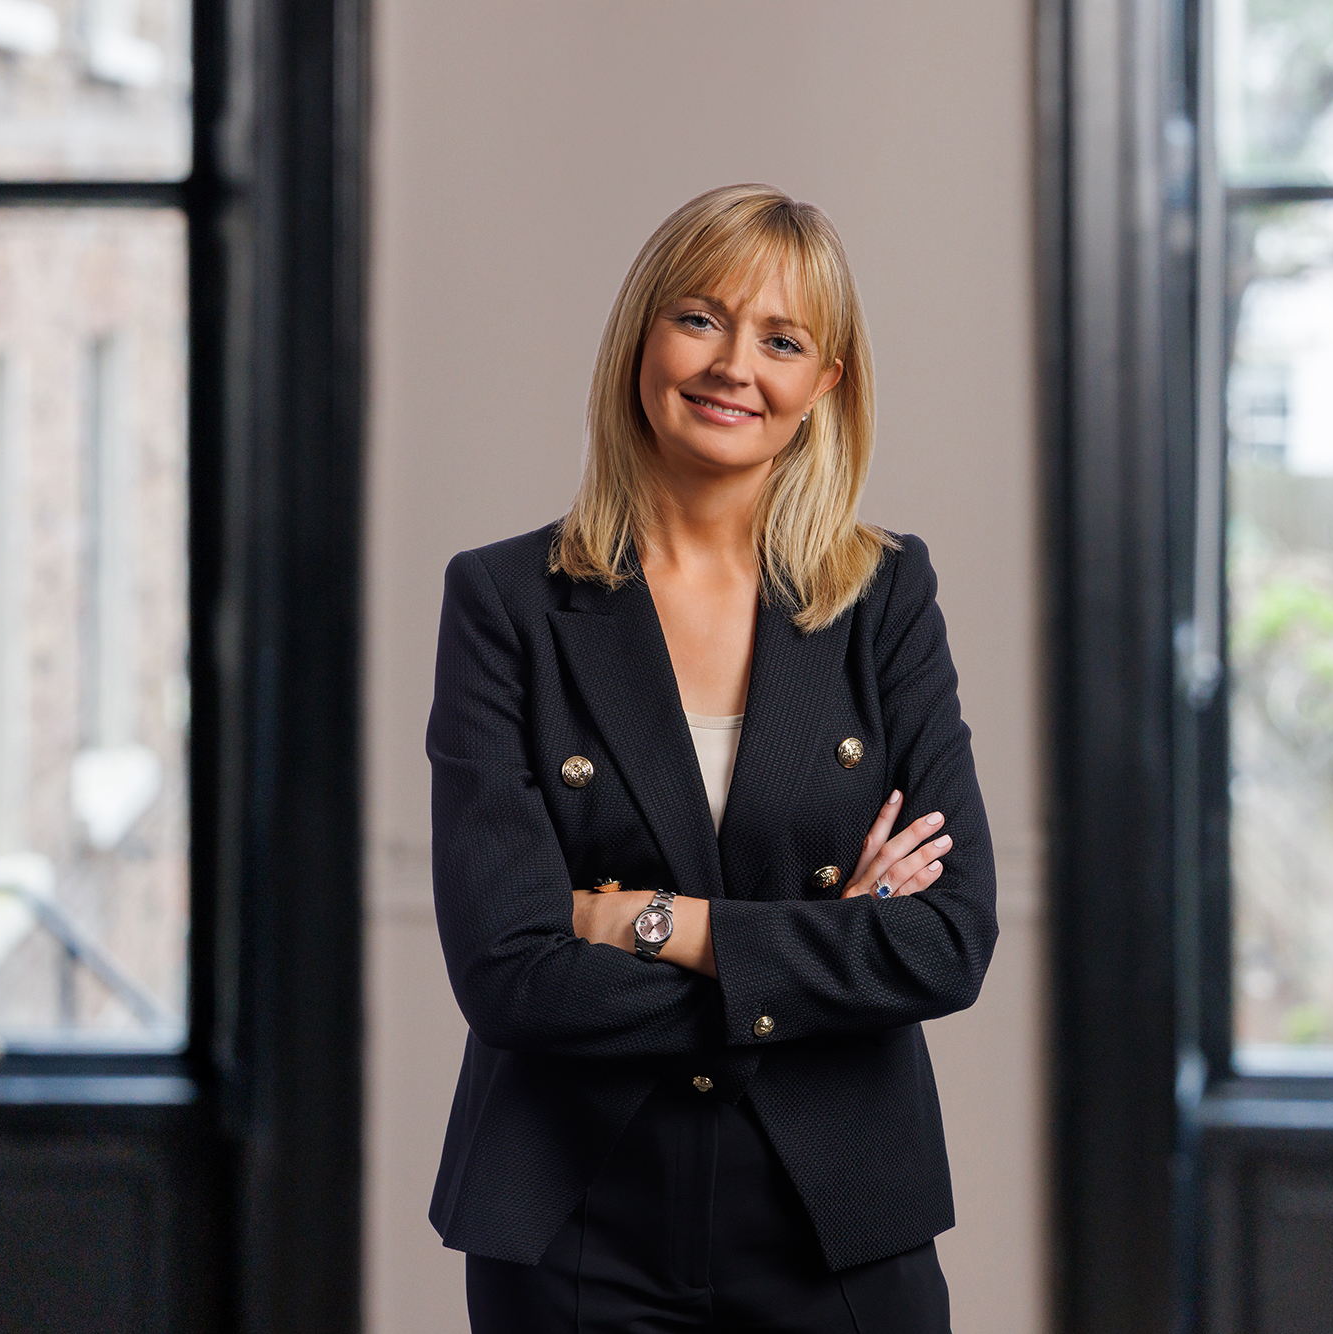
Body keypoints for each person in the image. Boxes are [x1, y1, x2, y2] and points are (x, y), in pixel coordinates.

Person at [425, 183, 998, 1332]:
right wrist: (826, 945)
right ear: (641, 336)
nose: (734, 365)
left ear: (823, 382)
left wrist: (646, 921)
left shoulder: (885, 596)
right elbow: (508, 975)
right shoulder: (502, 600)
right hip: (572, 1214)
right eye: (699, 318)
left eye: (781, 341)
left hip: (839, 1211)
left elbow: (945, 941)